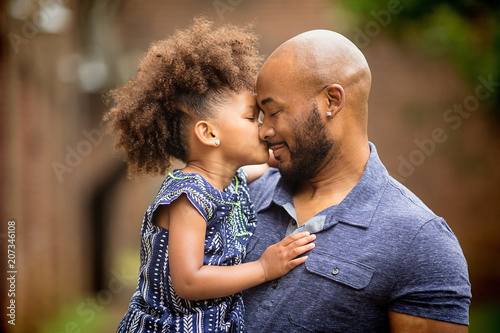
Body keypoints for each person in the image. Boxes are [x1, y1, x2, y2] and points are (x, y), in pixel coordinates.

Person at [243, 30, 472, 332]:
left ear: (332, 100)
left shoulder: (420, 241)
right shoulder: (243, 195)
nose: (264, 131)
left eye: (273, 112)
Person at [104, 18, 316, 333]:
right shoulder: (190, 196)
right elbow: (189, 281)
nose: (263, 128)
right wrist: (263, 268)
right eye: (250, 117)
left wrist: (284, 154)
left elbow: (260, 167)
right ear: (208, 133)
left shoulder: (230, 179)